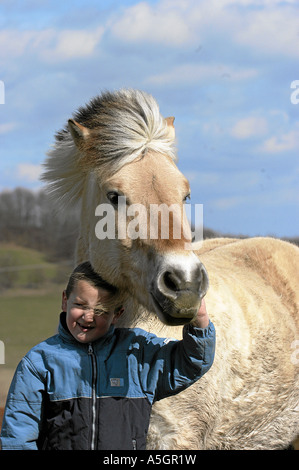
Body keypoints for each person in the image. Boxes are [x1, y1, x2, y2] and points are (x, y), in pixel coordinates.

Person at [0, 262, 215, 450]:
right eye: (80, 305)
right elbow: (18, 436)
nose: (88, 316)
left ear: (117, 314)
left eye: (101, 310)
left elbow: (191, 361)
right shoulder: (39, 362)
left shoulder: (137, 354)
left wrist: (200, 318)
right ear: (65, 301)